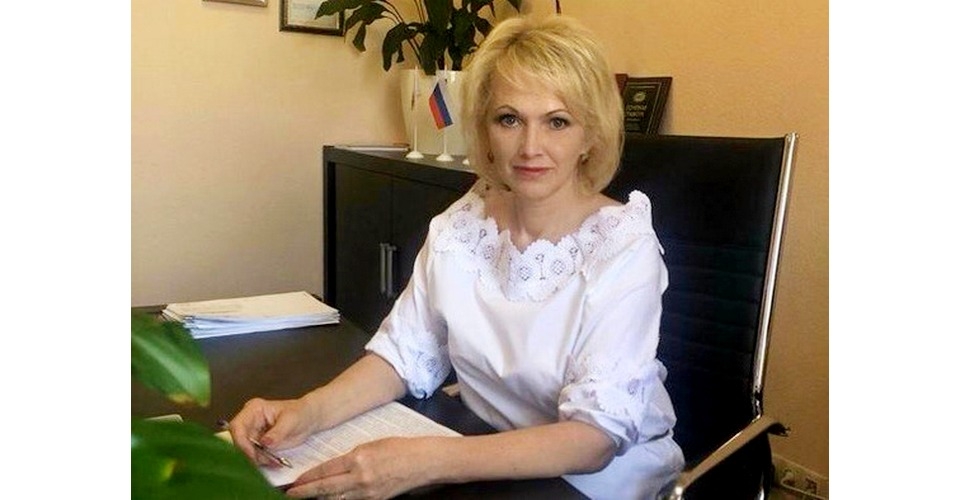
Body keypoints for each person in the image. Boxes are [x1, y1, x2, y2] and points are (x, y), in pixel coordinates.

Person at [228, 15, 684, 500]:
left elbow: (594, 439)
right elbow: (404, 354)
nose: (530, 147)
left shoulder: (622, 245)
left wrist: (426, 462)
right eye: (509, 119)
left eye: (557, 121)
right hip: (484, 450)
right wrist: (308, 411)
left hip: (593, 479)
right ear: (485, 129)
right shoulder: (465, 224)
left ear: (590, 134)